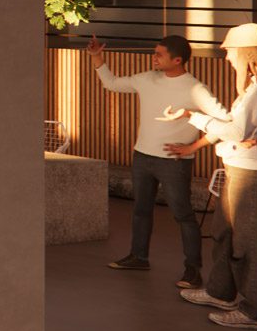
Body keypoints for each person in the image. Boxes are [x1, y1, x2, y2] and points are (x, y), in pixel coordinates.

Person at [163, 22, 257, 331]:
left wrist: (195, 117)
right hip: (245, 168)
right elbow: (241, 130)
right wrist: (231, 135)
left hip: (253, 174)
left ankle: (256, 311)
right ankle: (220, 292)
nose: (226, 58)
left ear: (244, 52)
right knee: (224, 231)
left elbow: (237, 130)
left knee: (249, 244)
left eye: (228, 52)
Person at [89, 34, 224, 288]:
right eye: (155, 52)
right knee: (141, 211)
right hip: (142, 155)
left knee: (183, 215)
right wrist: (97, 57)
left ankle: (192, 271)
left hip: (173, 162)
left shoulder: (195, 88)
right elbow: (112, 83)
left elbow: (225, 121)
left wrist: (194, 146)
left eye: (159, 54)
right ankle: (138, 257)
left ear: (178, 60)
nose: (154, 57)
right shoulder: (147, 78)